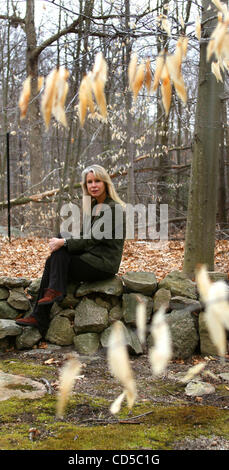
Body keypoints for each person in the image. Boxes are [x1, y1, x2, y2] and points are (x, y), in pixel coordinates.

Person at [16, 164, 126, 336]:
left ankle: (45, 307)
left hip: (103, 263)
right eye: (89, 182)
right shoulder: (94, 206)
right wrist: (64, 239)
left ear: (105, 183)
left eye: (97, 181)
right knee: (57, 251)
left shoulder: (113, 209)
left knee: (58, 252)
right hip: (90, 256)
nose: (93, 185)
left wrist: (64, 242)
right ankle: (50, 298)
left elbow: (91, 239)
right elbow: (84, 236)